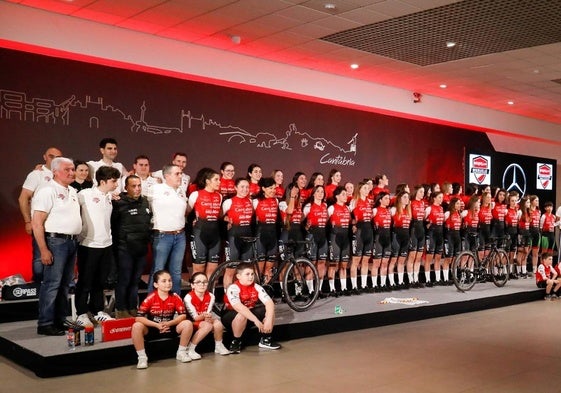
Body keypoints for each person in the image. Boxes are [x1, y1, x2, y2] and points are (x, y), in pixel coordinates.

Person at [32, 157, 81, 336]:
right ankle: (45, 323)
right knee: (52, 284)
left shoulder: (73, 191)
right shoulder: (47, 190)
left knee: (65, 285)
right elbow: (37, 223)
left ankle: (60, 320)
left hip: (71, 241)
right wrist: (43, 250)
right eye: (67, 169)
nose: (71, 172)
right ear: (54, 171)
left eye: (72, 169)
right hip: (55, 242)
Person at [75, 166, 121, 327]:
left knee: (100, 281)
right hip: (88, 244)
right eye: (113, 181)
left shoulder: (109, 196)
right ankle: (81, 313)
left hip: (106, 244)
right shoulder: (84, 194)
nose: (116, 184)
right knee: (85, 280)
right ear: (102, 181)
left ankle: (98, 311)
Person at [132, 269, 194, 369]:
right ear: (156, 284)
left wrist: (169, 323)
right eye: (164, 281)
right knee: (136, 326)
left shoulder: (175, 297)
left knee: (187, 323)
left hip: (170, 327)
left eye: (170, 280)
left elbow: (183, 315)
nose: (168, 283)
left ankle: (181, 353)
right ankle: (142, 358)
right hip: (153, 328)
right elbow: (138, 318)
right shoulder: (150, 298)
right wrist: (157, 325)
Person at [111, 175, 152, 318]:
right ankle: (121, 310)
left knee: (135, 281)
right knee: (124, 280)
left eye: (139, 185)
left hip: (141, 248)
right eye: (133, 186)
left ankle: (132, 309)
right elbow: (112, 226)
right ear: (126, 188)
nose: (137, 189)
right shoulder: (118, 203)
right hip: (124, 249)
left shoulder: (146, 201)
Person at [19, 146, 62, 283]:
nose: (55, 160)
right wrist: (27, 221)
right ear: (44, 157)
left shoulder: (62, 174)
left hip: (59, 227)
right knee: (39, 257)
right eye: (51, 156)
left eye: (58, 157)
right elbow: (23, 198)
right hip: (40, 224)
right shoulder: (36, 174)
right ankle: (38, 288)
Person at [147, 164, 188, 295]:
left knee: (176, 271)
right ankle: (152, 302)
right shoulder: (156, 189)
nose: (180, 176)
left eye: (181, 173)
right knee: (158, 270)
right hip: (163, 235)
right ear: (166, 176)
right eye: (177, 174)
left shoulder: (181, 191)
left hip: (180, 235)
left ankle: (176, 304)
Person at [222, 262, 280, 353]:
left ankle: (266, 339)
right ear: (238, 276)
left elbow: (269, 303)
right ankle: (236, 341)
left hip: (249, 314)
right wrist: (255, 320)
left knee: (269, 310)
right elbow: (239, 307)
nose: (251, 277)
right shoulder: (233, 288)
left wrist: (268, 319)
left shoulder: (257, 287)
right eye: (247, 274)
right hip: (231, 316)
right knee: (242, 314)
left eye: (252, 274)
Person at [183, 272, 231, 358]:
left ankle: (219, 346)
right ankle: (190, 348)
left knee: (218, 323)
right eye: (198, 282)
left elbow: (208, 312)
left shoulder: (211, 296)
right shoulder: (188, 297)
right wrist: (205, 316)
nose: (202, 284)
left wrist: (207, 316)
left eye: (205, 282)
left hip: (204, 319)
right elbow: (195, 317)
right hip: (192, 321)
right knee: (207, 326)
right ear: (192, 285)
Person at [187, 168, 223, 277]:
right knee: (199, 269)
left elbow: (220, 214)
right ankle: (196, 293)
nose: (219, 182)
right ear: (207, 181)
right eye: (216, 179)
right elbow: (187, 212)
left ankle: (210, 294)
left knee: (212, 270)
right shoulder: (196, 194)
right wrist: (193, 219)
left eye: (219, 180)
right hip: (199, 234)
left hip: (215, 235)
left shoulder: (219, 196)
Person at [222, 178, 255, 288]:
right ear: (235, 188)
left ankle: (242, 295)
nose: (245, 189)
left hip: (247, 237)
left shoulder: (250, 201)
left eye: (247, 187)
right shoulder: (229, 202)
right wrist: (226, 219)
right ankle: (228, 297)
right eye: (242, 187)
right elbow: (220, 217)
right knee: (230, 271)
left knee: (245, 271)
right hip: (233, 237)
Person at [303, 185, 329, 297]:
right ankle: (310, 291)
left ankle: (318, 289)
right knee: (311, 264)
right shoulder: (308, 206)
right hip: (312, 237)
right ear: (313, 193)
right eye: (318, 191)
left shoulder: (325, 205)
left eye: (322, 192)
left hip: (322, 236)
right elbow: (302, 223)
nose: (320, 193)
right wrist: (307, 228)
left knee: (322, 263)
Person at [253, 177, 280, 283]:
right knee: (259, 267)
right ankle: (256, 290)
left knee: (269, 267)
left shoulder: (276, 201)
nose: (273, 190)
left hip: (273, 236)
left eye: (274, 188)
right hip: (260, 235)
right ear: (263, 188)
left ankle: (265, 290)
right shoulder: (255, 201)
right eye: (270, 188)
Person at [349, 181, 374, 293]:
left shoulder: (369, 202)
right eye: (365, 188)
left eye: (368, 188)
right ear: (359, 189)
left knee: (365, 260)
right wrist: (353, 224)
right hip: (358, 232)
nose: (367, 189)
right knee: (355, 260)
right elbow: (348, 214)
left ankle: (363, 285)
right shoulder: (354, 201)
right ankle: (354, 286)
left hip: (369, 232)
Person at [327, 186, 351, 296]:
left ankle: (344, 287)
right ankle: (332, 289)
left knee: (343, 266)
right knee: (333, 265)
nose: (345, 196)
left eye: (346, 194)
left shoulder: (348, 208)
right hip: (334, 238)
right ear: (337, 196)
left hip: (345, 239)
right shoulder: (331, 208)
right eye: (343, 194)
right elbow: (325, 224)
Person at [390, 191, 411, 288]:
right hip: (396, 237)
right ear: (399, 199)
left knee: (402, 261)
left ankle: (400, 281)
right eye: (404, 197)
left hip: (405, 237)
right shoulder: (394, 210)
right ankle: (391, 283)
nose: (407, 199)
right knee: (393, 260)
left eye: (408, 197)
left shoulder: (408, 211)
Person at [372, 192, 392, 290]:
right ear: (380, 200)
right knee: (376, 263)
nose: (388, 200)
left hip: (387, 239)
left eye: (389, 198)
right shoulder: (375, 210)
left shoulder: (389, 211)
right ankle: (374, 285)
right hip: (378, 238)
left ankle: (383, 284)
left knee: (385, 263)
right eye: (386, 198)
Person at [406, 185, 426, 288]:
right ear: (416, 192)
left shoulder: (422, 203)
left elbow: (424, 217)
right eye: (421, 192)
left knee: (418, 257)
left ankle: (416, 279)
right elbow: (409, 217)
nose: (423, 194)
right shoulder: (411, 203)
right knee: (412, 256)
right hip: (413, 229)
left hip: (421, 230)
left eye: (423, 192)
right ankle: (410, 280)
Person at [424, 191, 445, 287]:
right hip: (431, 234)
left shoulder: (441, 208)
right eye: (440, 197)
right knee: (429, 258)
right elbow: (423, 220)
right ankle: (428, 279)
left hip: (440, 234)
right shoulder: (429, 208)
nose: (441, 199)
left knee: (438, 257)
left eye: (442, 197)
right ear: (434, 198)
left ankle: (438, 279)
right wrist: (427, 225)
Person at [443, 197, 463, 285]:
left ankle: (453, 277)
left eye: (460, 203)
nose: (459, 205)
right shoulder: (447, 213)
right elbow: (441, 223)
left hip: (457, 237)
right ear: (453, 204)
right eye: (457, 203)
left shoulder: (459, 214)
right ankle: (445, 279)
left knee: (456, 258)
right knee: (448, 259)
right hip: (449, 237)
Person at [516, 196, 531, 279]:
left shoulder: (528, 212)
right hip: (521, 234)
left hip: (527, 234)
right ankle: (518, 272)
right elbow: (517, 224)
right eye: (527, 202)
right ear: (523, 203)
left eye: (529, 202)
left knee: (526, 252)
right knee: (520, 252)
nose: (529, 204)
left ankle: (524, 272)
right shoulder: (520, 212)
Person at [528, 195, 541, 277]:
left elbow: (539, 223)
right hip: (529, 232)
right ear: (532, 201)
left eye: (538, 200)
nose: (537, 202)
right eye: (536, 200)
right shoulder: (528, 211)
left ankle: (535, 270)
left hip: (537, 232)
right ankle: (523, 269)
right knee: (527, 252)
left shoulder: (538, 211)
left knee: (535, 253)